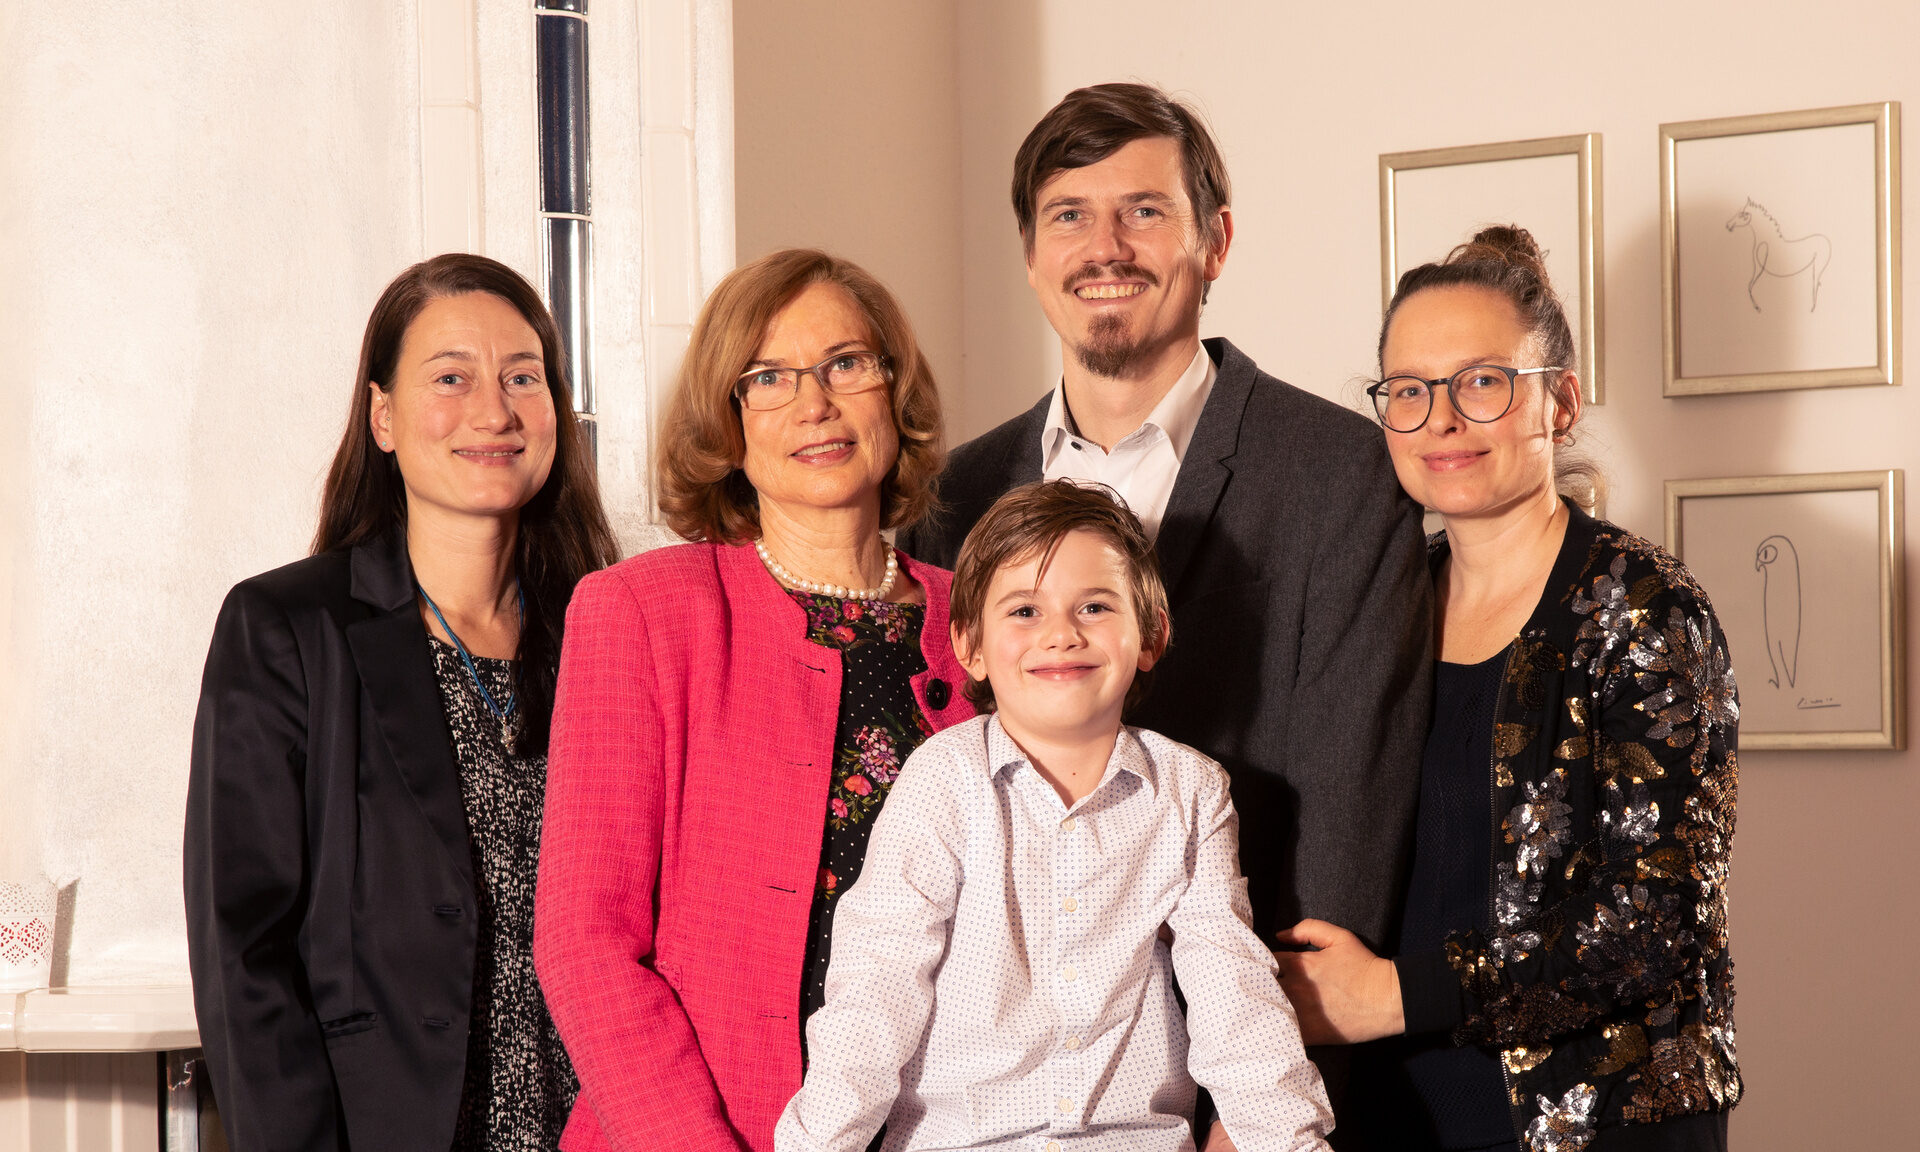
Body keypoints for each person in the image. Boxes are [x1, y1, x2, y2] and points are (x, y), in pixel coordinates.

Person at [898, 81, 1430, 970]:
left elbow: (1353, 800)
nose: (1104, 248)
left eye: (1144, 210)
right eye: (1068, 215)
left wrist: (1259, 1088)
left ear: (1216, 240)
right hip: (1000, 1063)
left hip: (1243, 1027)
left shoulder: (1342, 473)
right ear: (1030, 255)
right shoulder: (954, 496)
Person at [1272, 226, 1741, 1152]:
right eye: (1408, 392)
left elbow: (1658, 921)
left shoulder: (1645, 607)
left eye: (1481, 383)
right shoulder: (1380, 601)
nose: (1440, 421)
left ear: (1559, 401)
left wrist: (1394, 995)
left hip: (1602, 1119)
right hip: (1389, 1114)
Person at [533, 248, 977, 1152]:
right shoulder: (640, 614)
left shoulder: (988, 620)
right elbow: (586, 943)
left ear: (895, 389)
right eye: (768, 377)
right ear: (728, 420)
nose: (813, 403)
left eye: (846, 363)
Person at [185, 253, 619, 1150]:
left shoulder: (609, 628)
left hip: (595, 1122)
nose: (494, 412)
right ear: (382, 416)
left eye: (522, 378)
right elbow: (243, 955)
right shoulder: (286, 629)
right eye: (451, 378)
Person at [777, 479, 1334, 1152]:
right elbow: (876, 992)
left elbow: (1233, 993)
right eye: (1023, 612)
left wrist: (1292, 1142)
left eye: (1095, 606)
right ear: (969, 646)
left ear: (1150, 635)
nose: (1061, 635)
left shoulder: (1192, 791)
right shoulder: (943, 779)